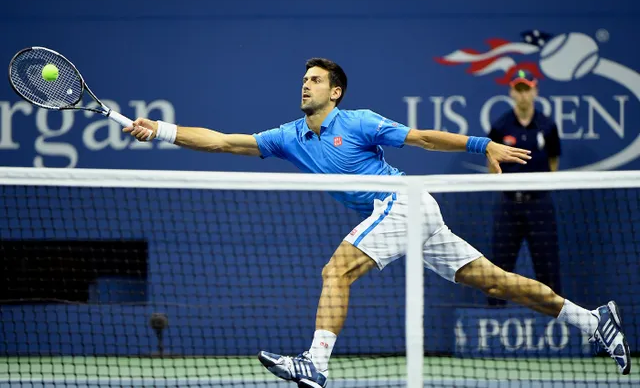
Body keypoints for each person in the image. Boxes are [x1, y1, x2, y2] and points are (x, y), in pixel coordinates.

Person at [124, 58, 631, 387]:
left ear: (336, 92)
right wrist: (162, 130)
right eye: (303, 79)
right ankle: (593, 320)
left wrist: (484, 145)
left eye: (315, 80)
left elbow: (425, 140)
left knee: (335, 271)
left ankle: (316, 364)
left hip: (402, 202)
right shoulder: (288, 136)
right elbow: (222, 141)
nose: (305, 84)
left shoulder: (360, 121)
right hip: (409, 213)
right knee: (499, 282)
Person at [487, 69, 561, 307]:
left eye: (526, 89)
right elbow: (492, 165)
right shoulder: (500, 127)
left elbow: (553, 161)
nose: (522, 95)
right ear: (511, 92)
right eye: (518, 90)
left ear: (535, 91)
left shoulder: (548, 126)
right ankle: (493, 316)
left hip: (539, 204)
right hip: (509, 205)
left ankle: (556, 316)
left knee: (547, 264)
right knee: (498, 267)